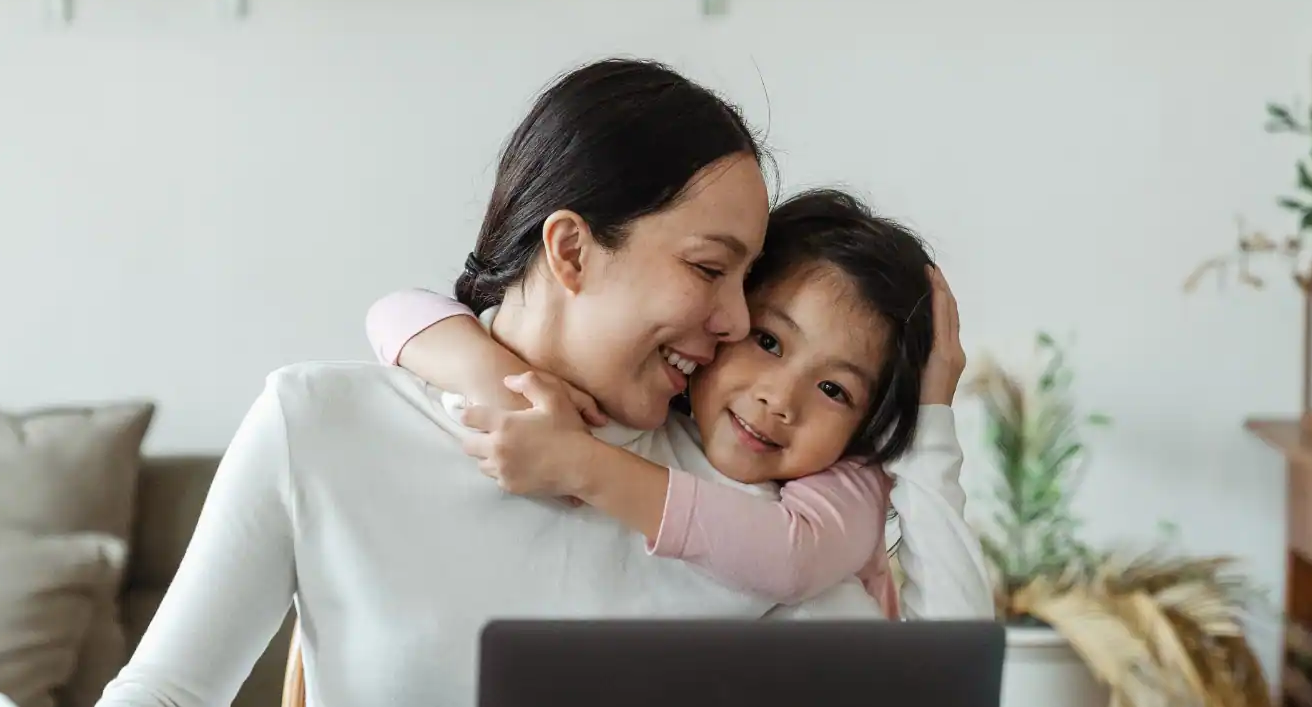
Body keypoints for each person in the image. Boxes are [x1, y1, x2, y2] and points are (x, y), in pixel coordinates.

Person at [0, 58, 996, 707]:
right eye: (707, 269)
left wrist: (933, 428)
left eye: (747, 281)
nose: (735, 323)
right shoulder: (320, 426)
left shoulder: (751, 500)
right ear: (570, 250)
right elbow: (168, 705)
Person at [363, 188, 971, 618]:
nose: (780, 400)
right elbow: (395, 310)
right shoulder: (655, 406)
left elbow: (789, 556)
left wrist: (581, 464)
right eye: (768, 341)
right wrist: (494, 378)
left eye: (835, 390)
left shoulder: (848, 480)